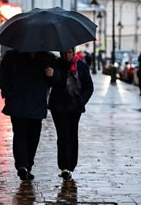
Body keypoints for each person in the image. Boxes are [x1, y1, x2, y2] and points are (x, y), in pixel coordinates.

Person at [0, 49, 54, 180]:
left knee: (33, 137)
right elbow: (3, 77)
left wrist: (52, 75)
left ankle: (28, 165)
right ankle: (22, 166)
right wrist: (9, 94)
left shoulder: (47, 57)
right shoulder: (12, 55)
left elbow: (53, 82)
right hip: (18, 103)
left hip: (37, 104)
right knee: (20, 135)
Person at [48, 48, 93, 181]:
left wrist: (80, 102)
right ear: (61, 54)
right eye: (65, 53)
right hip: (59, 107)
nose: (67, 56)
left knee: (73, 135)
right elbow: (51, 83)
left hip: (75, 107)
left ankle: (71, 166)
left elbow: (89, 87)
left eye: (70, 52)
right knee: (63, 136)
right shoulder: (55, 64)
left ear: (73, 52)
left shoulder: (81, 66)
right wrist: (51, 75)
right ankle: (64, 167)